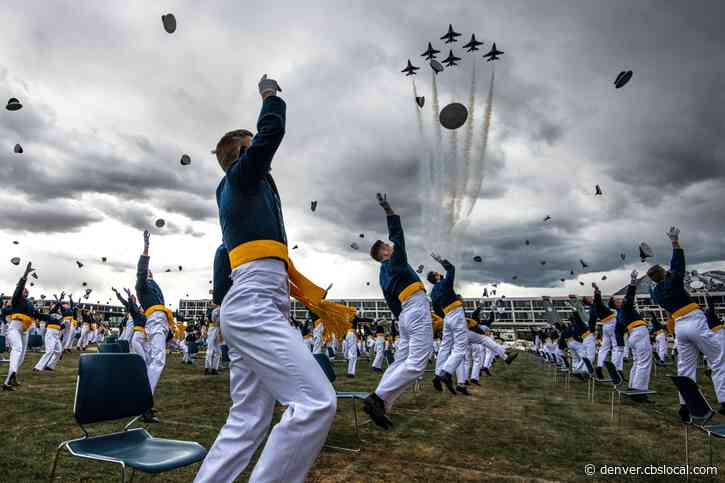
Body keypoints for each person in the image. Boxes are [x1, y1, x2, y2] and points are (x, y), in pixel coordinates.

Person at [194, 75, 337, 483]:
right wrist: (269, 95)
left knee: (249, 420)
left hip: (258, 301)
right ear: (241, 152)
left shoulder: (246, 188)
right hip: (254, 301)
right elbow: (273, 131)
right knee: (315, 402)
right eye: (250, 142)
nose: (259, 144)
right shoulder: (240, 177)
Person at [365, 193, 433, 429]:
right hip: (414, 308)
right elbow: (399, 237)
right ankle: (377, 398)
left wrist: (403, 317)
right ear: (382, 253)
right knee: (416, 364)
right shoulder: (394, 263)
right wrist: (389, 211)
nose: (391, 247)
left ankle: (382, 404)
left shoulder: (383, 274)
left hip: (405, 314)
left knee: (400, 362)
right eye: (387, 247)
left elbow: (391, 302)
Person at [648, 226, 725, 419]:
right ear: (664, 274)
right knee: (718, 359)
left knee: (685, 367)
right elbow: (678, 266)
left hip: (680, 326)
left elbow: (666, 276)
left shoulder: (656, 293)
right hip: (694, 320)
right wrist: (675, 242)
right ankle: (724, 400)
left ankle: (686, 406)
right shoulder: (671, 281)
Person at [136, 229, 175, 395]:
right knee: (158, 359)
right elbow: (142, 270)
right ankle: (145, 398)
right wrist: (146, 247)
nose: (149, 271)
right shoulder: (141, 286)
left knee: (154, 358)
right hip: (156, 319)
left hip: (161, 320)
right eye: (147, 272)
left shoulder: (153, 286)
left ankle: (141, 392)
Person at [428, 254, 466, 395]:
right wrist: (441, 260)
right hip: (455, 314)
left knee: (445, 347)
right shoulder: (444, 283)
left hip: (447, 317)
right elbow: (451, 269)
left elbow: (437, 311)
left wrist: (446, 315)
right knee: (460, 348)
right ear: (436, 277)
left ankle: (438, 375)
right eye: (437, 273)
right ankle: (447, 373)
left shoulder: (433, 293)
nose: (439, 273)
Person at [3, 263, 39, 390]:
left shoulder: (30, 303)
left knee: (22, 355)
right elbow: (19, 287)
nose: (25, 290)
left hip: (26, 329)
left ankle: (11, 379)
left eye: (26, 290)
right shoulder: (16, 299)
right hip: (15, 327)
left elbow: (38, 314)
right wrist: (25, 275)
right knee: (17, 348)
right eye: (24, 289)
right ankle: (9, 379)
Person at [619, 270, 652, 395]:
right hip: (639, 332)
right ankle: (639, 391)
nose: (621, 300)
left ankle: (633, 386)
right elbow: (630, 296)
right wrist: (633, 281)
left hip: (634, 334)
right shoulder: (624, 308)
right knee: (644, 362)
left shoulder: (620, 315)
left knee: (638, 362)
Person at [32, 294, 64, 372]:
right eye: (53, 306)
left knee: (59, 352)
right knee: (49, 351)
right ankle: (38, 367)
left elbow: (63, 326)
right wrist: (60, 298)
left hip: (56, 334)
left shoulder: (60, 315)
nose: (54, 306)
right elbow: (57, 305)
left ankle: (50, 366)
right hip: (50, 332)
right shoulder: (51, 313)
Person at [205, 306, 222, 375]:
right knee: (210, 349)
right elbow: (212, 318)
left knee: (218, 351)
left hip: (218, 328)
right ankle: (207, 368)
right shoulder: (212, 309)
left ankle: (214, 368)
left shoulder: (220, 307)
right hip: (213, 328)